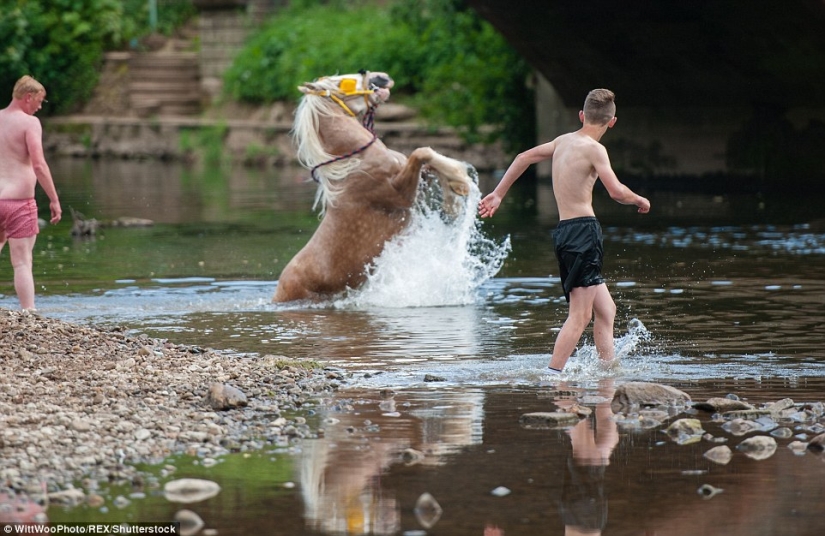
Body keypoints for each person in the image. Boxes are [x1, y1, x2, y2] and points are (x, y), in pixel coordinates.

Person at [478, 89, 649, 373]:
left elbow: (523, 157)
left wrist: (497, 194)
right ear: (612, 122)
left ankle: (607, 371)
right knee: (579, 316)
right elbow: (616, 191)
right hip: (584, 233)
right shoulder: (596, 149)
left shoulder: (561, 142)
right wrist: (639, 199)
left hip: (565, 232)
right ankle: (553, 375)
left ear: (581, 116)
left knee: (606, 310)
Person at [0, 75, 62, 310]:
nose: (40, 106)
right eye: (39, 100)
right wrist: (54, 200)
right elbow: (39, 165)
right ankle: (29, 314)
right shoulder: (29, 123)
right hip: (18, 202)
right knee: (22, 262)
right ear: (28, 97)